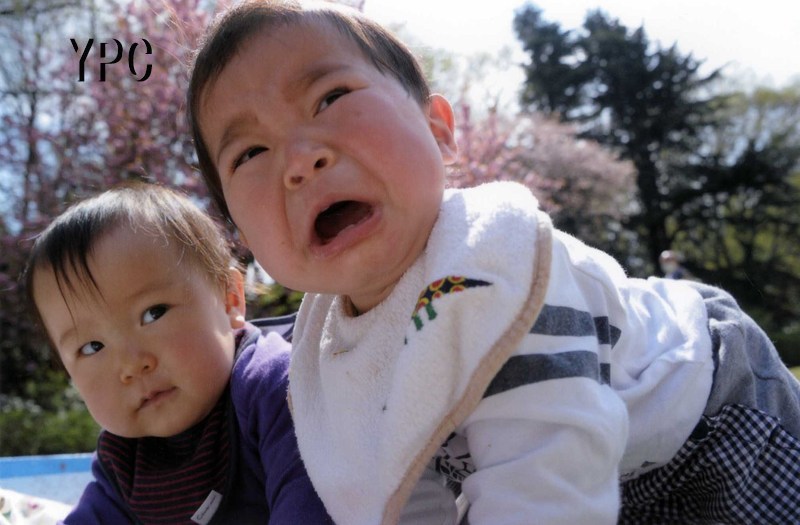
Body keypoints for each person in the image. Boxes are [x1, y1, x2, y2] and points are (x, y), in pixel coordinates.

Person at [186, 1, 800, 523]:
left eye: (330, 97)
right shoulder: (324, 349)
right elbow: (393, 492)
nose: (300, 159)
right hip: (603, 465)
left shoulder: (488, 258)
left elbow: (547, 486)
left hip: (712, 413)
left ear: (438, 130)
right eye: (250, 153)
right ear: (239, 232)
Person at [22, 183, 333, 524]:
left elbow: (314, 504)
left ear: (229, 299)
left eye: (153, 313)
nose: (131, 364)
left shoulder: (277, 387)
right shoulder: (123, 459)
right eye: (92, 347)